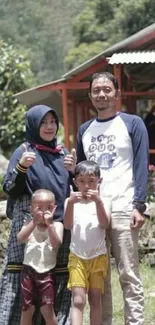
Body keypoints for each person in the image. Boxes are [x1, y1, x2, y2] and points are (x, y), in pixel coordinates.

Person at [64, 72, 149, 325]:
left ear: (117, 93)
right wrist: (71, 169)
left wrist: (139, 205)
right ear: (90, 95)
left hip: (123, 206)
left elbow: (142, 165)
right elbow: (82, 173)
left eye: (107, 89)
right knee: (100, 280)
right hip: (92, 212)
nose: (101, 94)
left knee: (129, 274)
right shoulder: (84, 130)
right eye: (96, 90)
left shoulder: (133, 123)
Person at [0, 105, 71, 325]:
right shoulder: (24, 151)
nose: (49, 127)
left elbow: (73, 187)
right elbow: (10, 188)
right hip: (28, 225)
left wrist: (74, 169)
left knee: (55, 278)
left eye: (53, 122)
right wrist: (21, 167)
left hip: (56, 226)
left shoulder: (63, 153)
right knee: (23, 278)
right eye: (43, 122)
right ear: (33, 125)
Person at [64, 160, 111, 325]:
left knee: (95, 299)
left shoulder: (105, 201)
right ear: (75, 182)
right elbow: (68, 225)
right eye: (82, 181)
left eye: (91, 181)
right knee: (78, 300)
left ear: (99, 181)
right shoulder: (70, 202)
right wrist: (70, 203)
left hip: (98, 257)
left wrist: (98, 202)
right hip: (77, 257)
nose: (87, 186)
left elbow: (104, 224)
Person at [17, 189, 63, 325]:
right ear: (31, 210)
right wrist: (34, 222)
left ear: (54, 208)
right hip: (28, 271)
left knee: (48, 309)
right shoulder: (29, 224)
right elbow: (20, 238)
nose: (44, 212)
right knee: (26, 309)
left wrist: (50, 225)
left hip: (47, 273)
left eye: (48, 208)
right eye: (39, 208)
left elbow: (56, 244)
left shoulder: (57, 226)